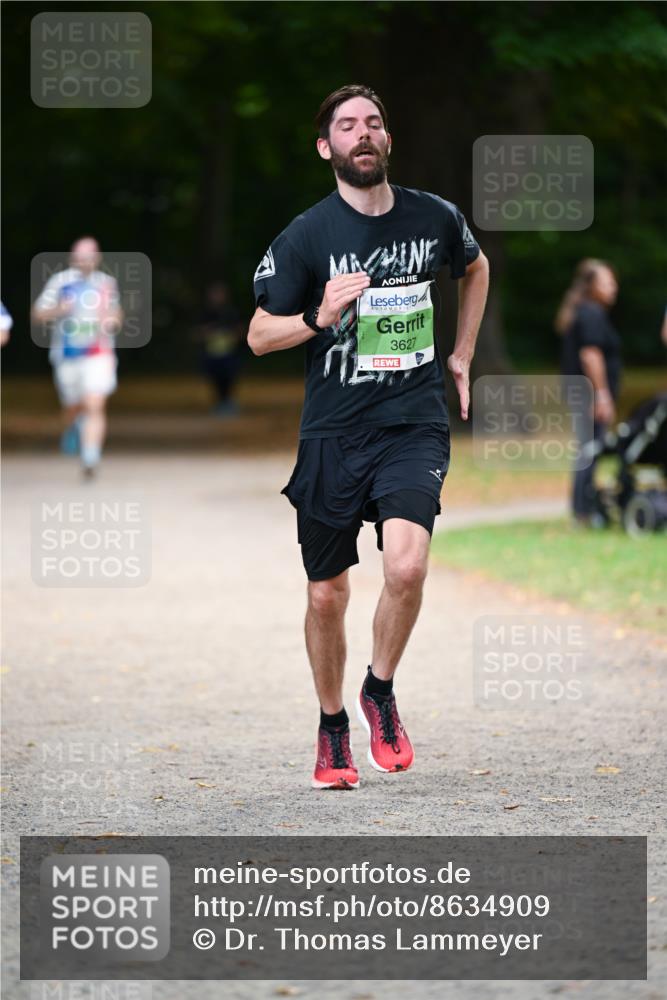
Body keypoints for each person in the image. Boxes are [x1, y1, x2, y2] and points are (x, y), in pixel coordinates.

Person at [249, 84, 489, 790]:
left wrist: (463, 353)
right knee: (327, 594)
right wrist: (319, 316)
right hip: (332, 429)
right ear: (325, 146)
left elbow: (474, 268)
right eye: (346, 125)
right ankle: (331, 726)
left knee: (406, 568)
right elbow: (260, 334)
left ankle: (378, 690)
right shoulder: (306, 235)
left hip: (412, 421)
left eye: (373, 123)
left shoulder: (435, 216)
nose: (362, 133)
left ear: (387, 140)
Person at [32, 237, 123, 478]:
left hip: (98, 353)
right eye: (81, 255)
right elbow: (38, 314)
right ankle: (73, 427)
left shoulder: (106, 283)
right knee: (74, 406)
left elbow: (115, 313)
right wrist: (59, 309)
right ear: (73, 258)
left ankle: (90, 456)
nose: (85, 260)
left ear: (98, 257)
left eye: (90, 254)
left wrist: (112, 321)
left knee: (94, 403)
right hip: (67, 355)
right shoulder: (60, 282)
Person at [556, 258, 622, 525]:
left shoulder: (583, 311)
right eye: (607, 281)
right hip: (588, 394)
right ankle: (583, 511)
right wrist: (601, 394)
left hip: (582, 392)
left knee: (587, 448)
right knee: (590, 448)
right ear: (591, 286)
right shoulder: (591, 313)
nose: (614, 286)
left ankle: (582, 508)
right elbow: (590, 355)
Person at [192, 280, 245, 416]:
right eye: (215, 293)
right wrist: (209, 331)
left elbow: (240, 331)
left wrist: (232, 334)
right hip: (211, 353)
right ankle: (220, 402)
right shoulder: (204, 312)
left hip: (229, 353)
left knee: (229, 378)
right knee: (215, 379)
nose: (218, 296)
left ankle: (227, 402)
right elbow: (197, 333)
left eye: (220, 293)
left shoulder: (231, 312)